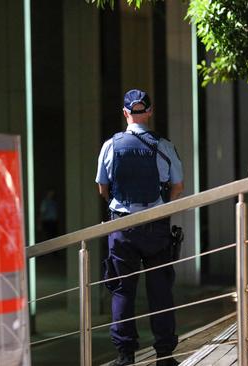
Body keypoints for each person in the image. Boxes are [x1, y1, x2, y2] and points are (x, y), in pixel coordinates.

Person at [95, 89, 184, 366]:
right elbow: (178, 186)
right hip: (156, 227)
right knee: (160, 290)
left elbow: (102, 187)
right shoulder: (164, 145)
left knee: (122, 290)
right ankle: (165, 355)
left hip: (122, 227)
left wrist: (118, 204)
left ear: (125, 114)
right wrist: (159, 208)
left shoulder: (110, 146)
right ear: (150, 111)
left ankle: (125, 356)